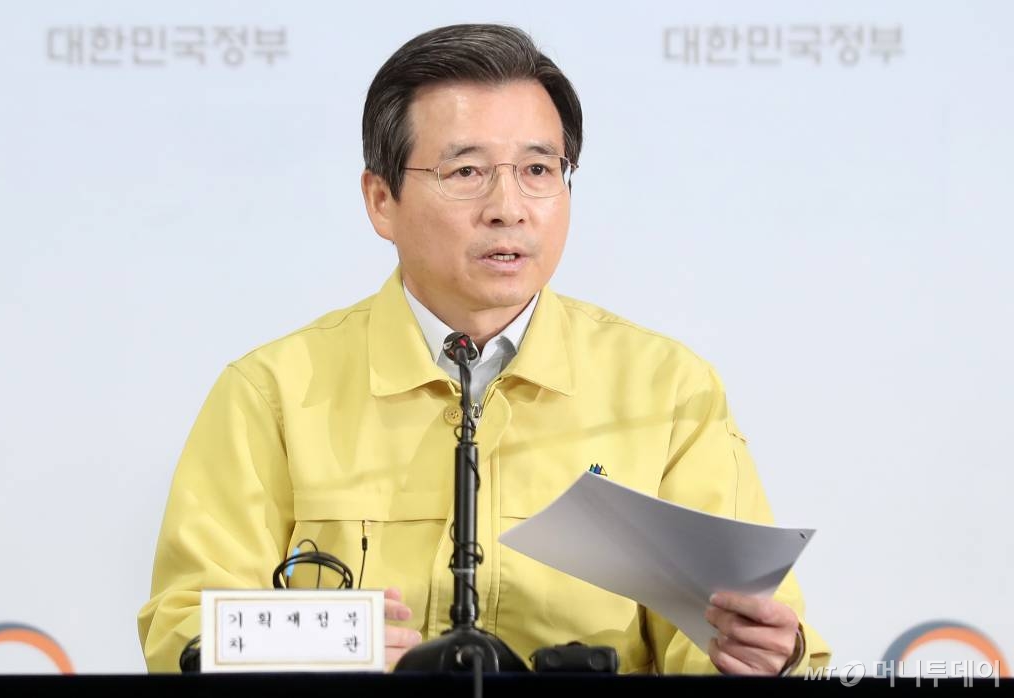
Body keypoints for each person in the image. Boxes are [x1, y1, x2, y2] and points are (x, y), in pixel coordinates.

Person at [137, 22, 831, 676]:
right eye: (466, 172)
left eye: (539, 169)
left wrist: (770, 654)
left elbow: (746, 633)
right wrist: (328, 641)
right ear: (381, 200)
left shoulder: (667, 389)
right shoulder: (274, 392)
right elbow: (182, 630)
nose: (509, 207)